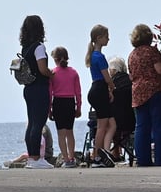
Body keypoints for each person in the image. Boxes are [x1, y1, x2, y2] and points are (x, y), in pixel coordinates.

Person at [127, 24, 161, 166]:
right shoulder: (151, 52)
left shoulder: (132, 55)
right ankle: (160, 160)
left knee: (141, 127)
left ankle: (143, 160)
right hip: (155, 91)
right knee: (159, 126)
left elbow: (131, 75)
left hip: (138, 93)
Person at [19, 15, 54, 169]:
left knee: (31, 122)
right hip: (40, 87)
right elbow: (42, 69)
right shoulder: (39, 47)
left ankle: (31, 157)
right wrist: (51, 73)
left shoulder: (25, 48)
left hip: (28, 88)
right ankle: (35, 158)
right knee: (39, 123)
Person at [85, 24, 116, 168]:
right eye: (106, 36)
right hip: (99, 89)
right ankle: (96, 156)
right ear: (99, 38)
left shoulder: (93, 56)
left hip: (97, 89)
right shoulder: (99, 56)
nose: (108, 39)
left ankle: (104, 151)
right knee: (102, 126)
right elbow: (107, 77)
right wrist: (113, 88)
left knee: (111, 124)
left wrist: (108, 90)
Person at [50, 46, 82, 168]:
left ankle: (66, 158)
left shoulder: (53, 73)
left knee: (61, 134)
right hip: (69, 102)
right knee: (70, 132)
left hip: (58, 102)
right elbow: (78, 92)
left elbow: (49, 93)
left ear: (55, 59)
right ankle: (72, 158)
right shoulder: (73, 73)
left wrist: (49, 110)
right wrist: (78, 107)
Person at [108, 57, 135, 162]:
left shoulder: (111, 83)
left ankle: (113, 152)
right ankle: (120, 152)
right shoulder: (131, 81)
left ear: (114, 70)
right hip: (131, 120)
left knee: (110, 122)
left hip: (114, 122)